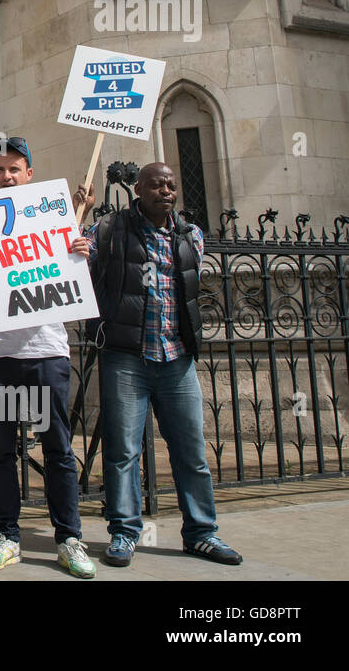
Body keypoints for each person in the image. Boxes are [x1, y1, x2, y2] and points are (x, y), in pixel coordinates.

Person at [79, 162, 243, 567]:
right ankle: (124, 533)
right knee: (122, 453)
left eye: (170, 185)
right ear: (139, 189)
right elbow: (73, 251)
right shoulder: (111, 229)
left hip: (177, 358)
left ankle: (202, 534)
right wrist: (80, 211)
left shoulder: (191, 236)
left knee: (191, 452)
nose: (166, 190)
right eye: (156, 184)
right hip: (125, 357)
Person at [0, 137, 96, 578]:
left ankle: (69, 538)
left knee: (58, 450)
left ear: (29, 174)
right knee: (1, 452)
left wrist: (81, 254)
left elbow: (72, 275)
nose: (6, 176)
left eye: (14, 169)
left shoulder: (58, 218)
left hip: (46, 352)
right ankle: (7, 536)